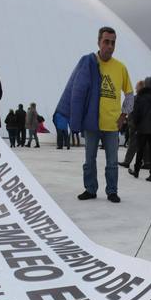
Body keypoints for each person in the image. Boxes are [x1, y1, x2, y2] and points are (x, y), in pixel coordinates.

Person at [55, 25, 133, 203]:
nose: (110, 46)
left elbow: (129, 93)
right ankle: (90, 189)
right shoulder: (89, 64)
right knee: (89, 159)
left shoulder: (120, 68)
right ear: (99, 42)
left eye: (113, 43)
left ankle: (112, 191)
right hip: (92, 123)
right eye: (106, 42)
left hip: (112, 125)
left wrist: (123, 116)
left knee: (112, 162)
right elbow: (76, 89)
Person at [119, 80, 145, 168]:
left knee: (133, 144)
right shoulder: (144, 98)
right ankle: (146, 162)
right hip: (140, 126)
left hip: (135, 125)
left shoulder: (137, 98)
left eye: (137, 86)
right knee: (143, 145)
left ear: (141, 87)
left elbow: (129, 110)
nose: (135, 88)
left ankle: (127, 162)